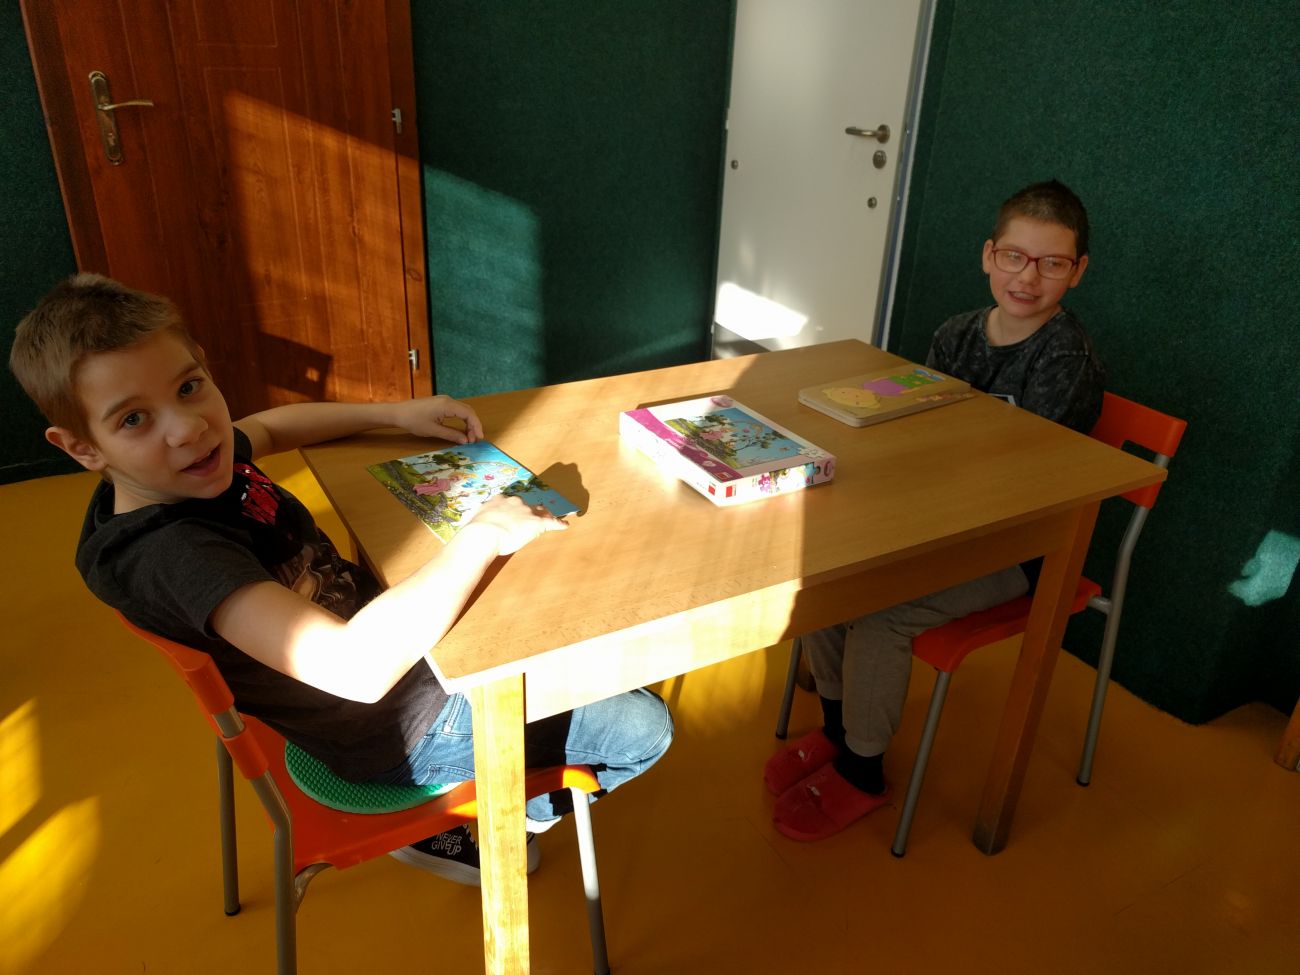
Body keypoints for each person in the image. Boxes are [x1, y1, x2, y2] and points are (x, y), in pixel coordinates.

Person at [10, 273, 673, 885]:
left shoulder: (182, 466)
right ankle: (495, 825)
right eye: (134, 418)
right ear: (81, 447)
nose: (190, 428)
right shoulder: (173, 553)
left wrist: (396, 414)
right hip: (394, 729)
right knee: (643, 726)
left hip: (387, 653)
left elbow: (269, 426)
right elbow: (356, 670)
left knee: (576, 618)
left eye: (189, 387)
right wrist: (483, 533)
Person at [764, 179, 1104, 842]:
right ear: (988, 256)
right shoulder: (955, 334)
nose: (1028, 277)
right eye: (1014, 256)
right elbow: (913, 433)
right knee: (828, 578)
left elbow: (1030, 485)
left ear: (1078, 271)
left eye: (1052, 263)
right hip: (936, 524)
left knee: (882, 614)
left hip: (1021, 548)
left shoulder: (1066, 358)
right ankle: (837, 730)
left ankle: (863, 769)